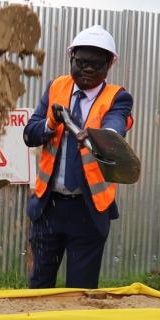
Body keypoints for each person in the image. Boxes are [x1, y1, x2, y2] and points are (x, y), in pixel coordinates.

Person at [23, 25, 133, 289]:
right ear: (71, 58)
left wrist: (101, 137)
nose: (87, 69)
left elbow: (116, 124)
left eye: (95, 64)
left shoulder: (117, 97)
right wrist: (50, 123)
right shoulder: (56, 87)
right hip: (48, 207)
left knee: (80, 292)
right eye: (81, 62)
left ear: (109, 64)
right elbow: (30, 134)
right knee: (39, 287)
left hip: (88, 209)